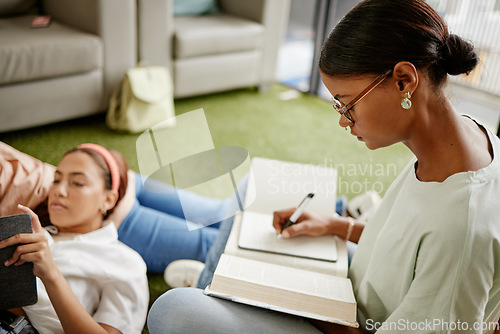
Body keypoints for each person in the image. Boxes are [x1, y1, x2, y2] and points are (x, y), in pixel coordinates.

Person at [146, 0, 500, 333]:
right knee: (252, 196)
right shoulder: (461, 138)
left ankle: (212, 292)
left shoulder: (460, 227)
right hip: (359, 288)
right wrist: (334, 225)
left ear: (404, 81)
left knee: (173, 309)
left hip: (353, 324)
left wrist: (315, 313)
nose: (344, 122)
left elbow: (436, 254)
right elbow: (405, 248)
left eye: (347, 105)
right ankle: (216, 290)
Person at [0, 141, 233, 274]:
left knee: (220, 216)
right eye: (57, 181)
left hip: (115, 186)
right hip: (106, 202)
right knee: (213, 243)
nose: (57, 190)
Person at [0, 144, 149, 334]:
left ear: (108, 200)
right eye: (56, 180)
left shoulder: (125, 261)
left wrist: (50, 273)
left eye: (77, 183)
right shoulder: (31, 233)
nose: (59, 191)